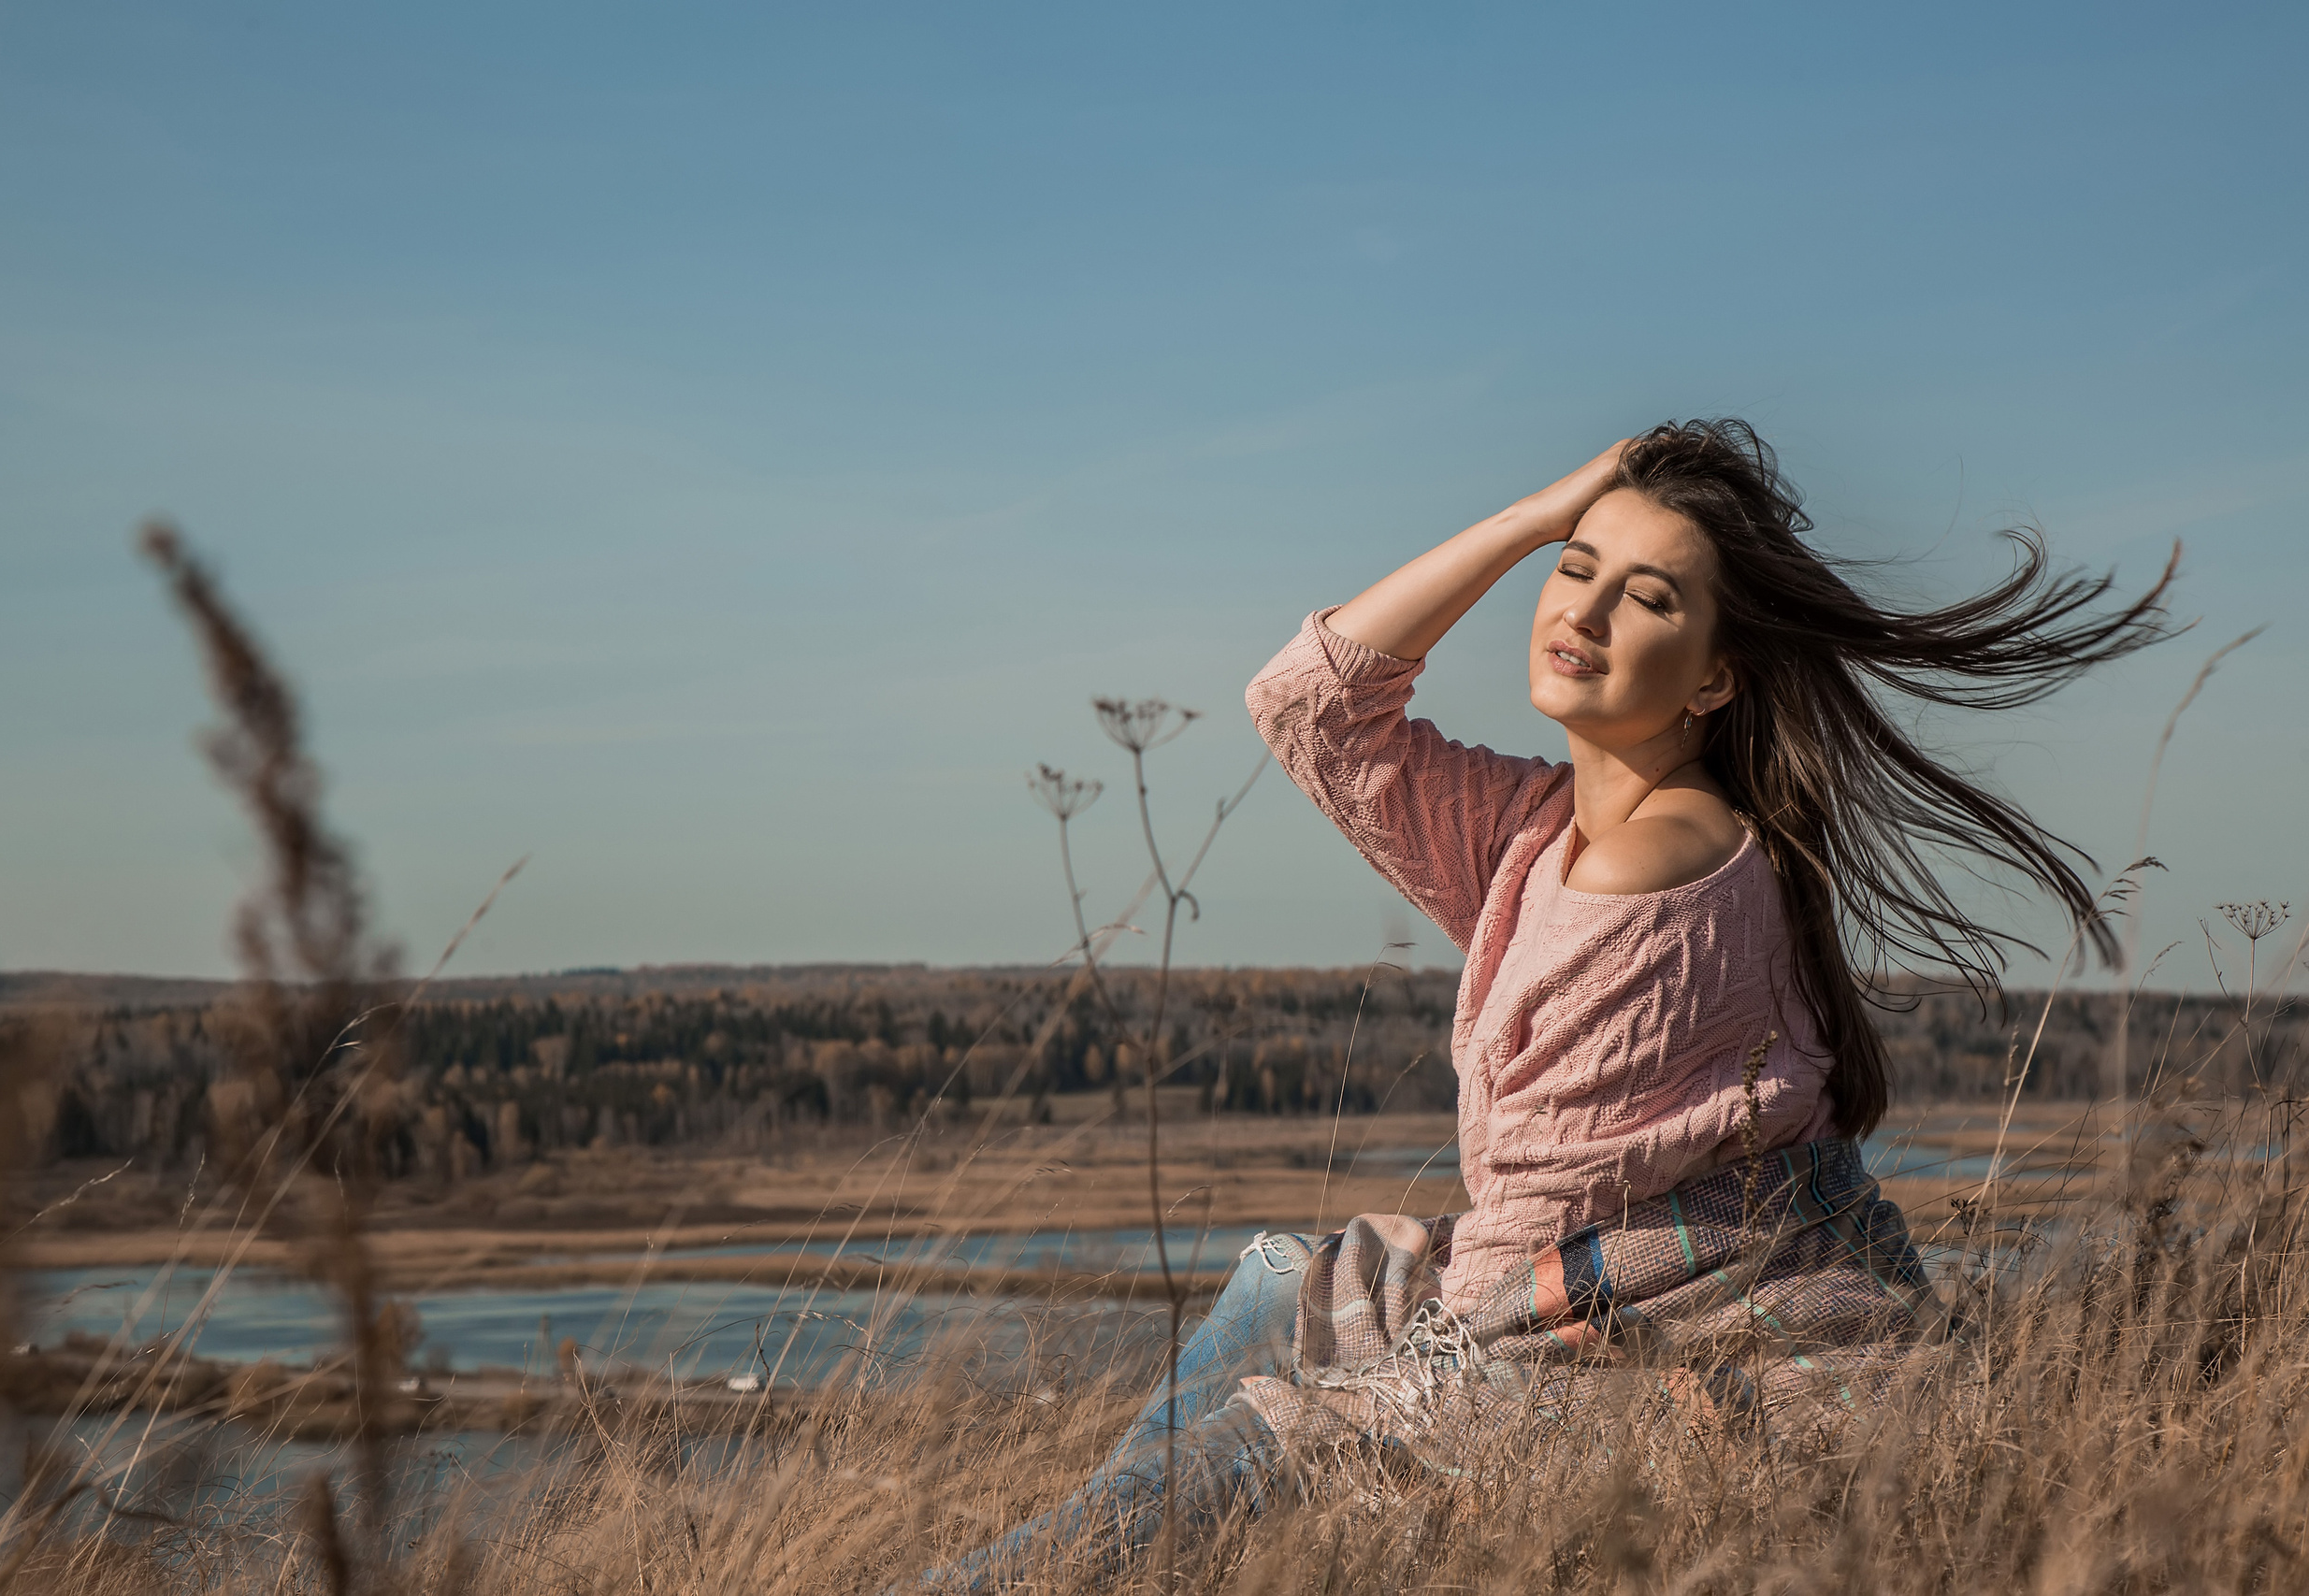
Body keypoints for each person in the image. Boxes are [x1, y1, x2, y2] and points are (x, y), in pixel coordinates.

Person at [924, 419, 2172, 1590]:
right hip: (1580, 1295)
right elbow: (1310, 709)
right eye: (1576, 568)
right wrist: (1537, 511)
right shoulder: (1545, 831)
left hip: (1662, 1362)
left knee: (1256, 1445)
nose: (1583, 608)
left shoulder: (1654, 875)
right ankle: (1113, 1538)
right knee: (1270, 1282)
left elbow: (1521, 1240)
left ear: (1713, 678)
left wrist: (1350, 1398)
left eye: (1649, 595)